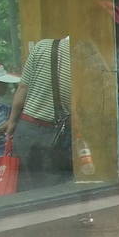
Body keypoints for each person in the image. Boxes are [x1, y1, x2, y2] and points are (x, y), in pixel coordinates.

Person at [7, 36, 72, 189]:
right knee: (53, 191)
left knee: (25, 190)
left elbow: (22, 89)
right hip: (56, 135)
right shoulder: (84, 54)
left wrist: (12, 123)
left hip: (26, 127)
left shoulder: (42, 46)